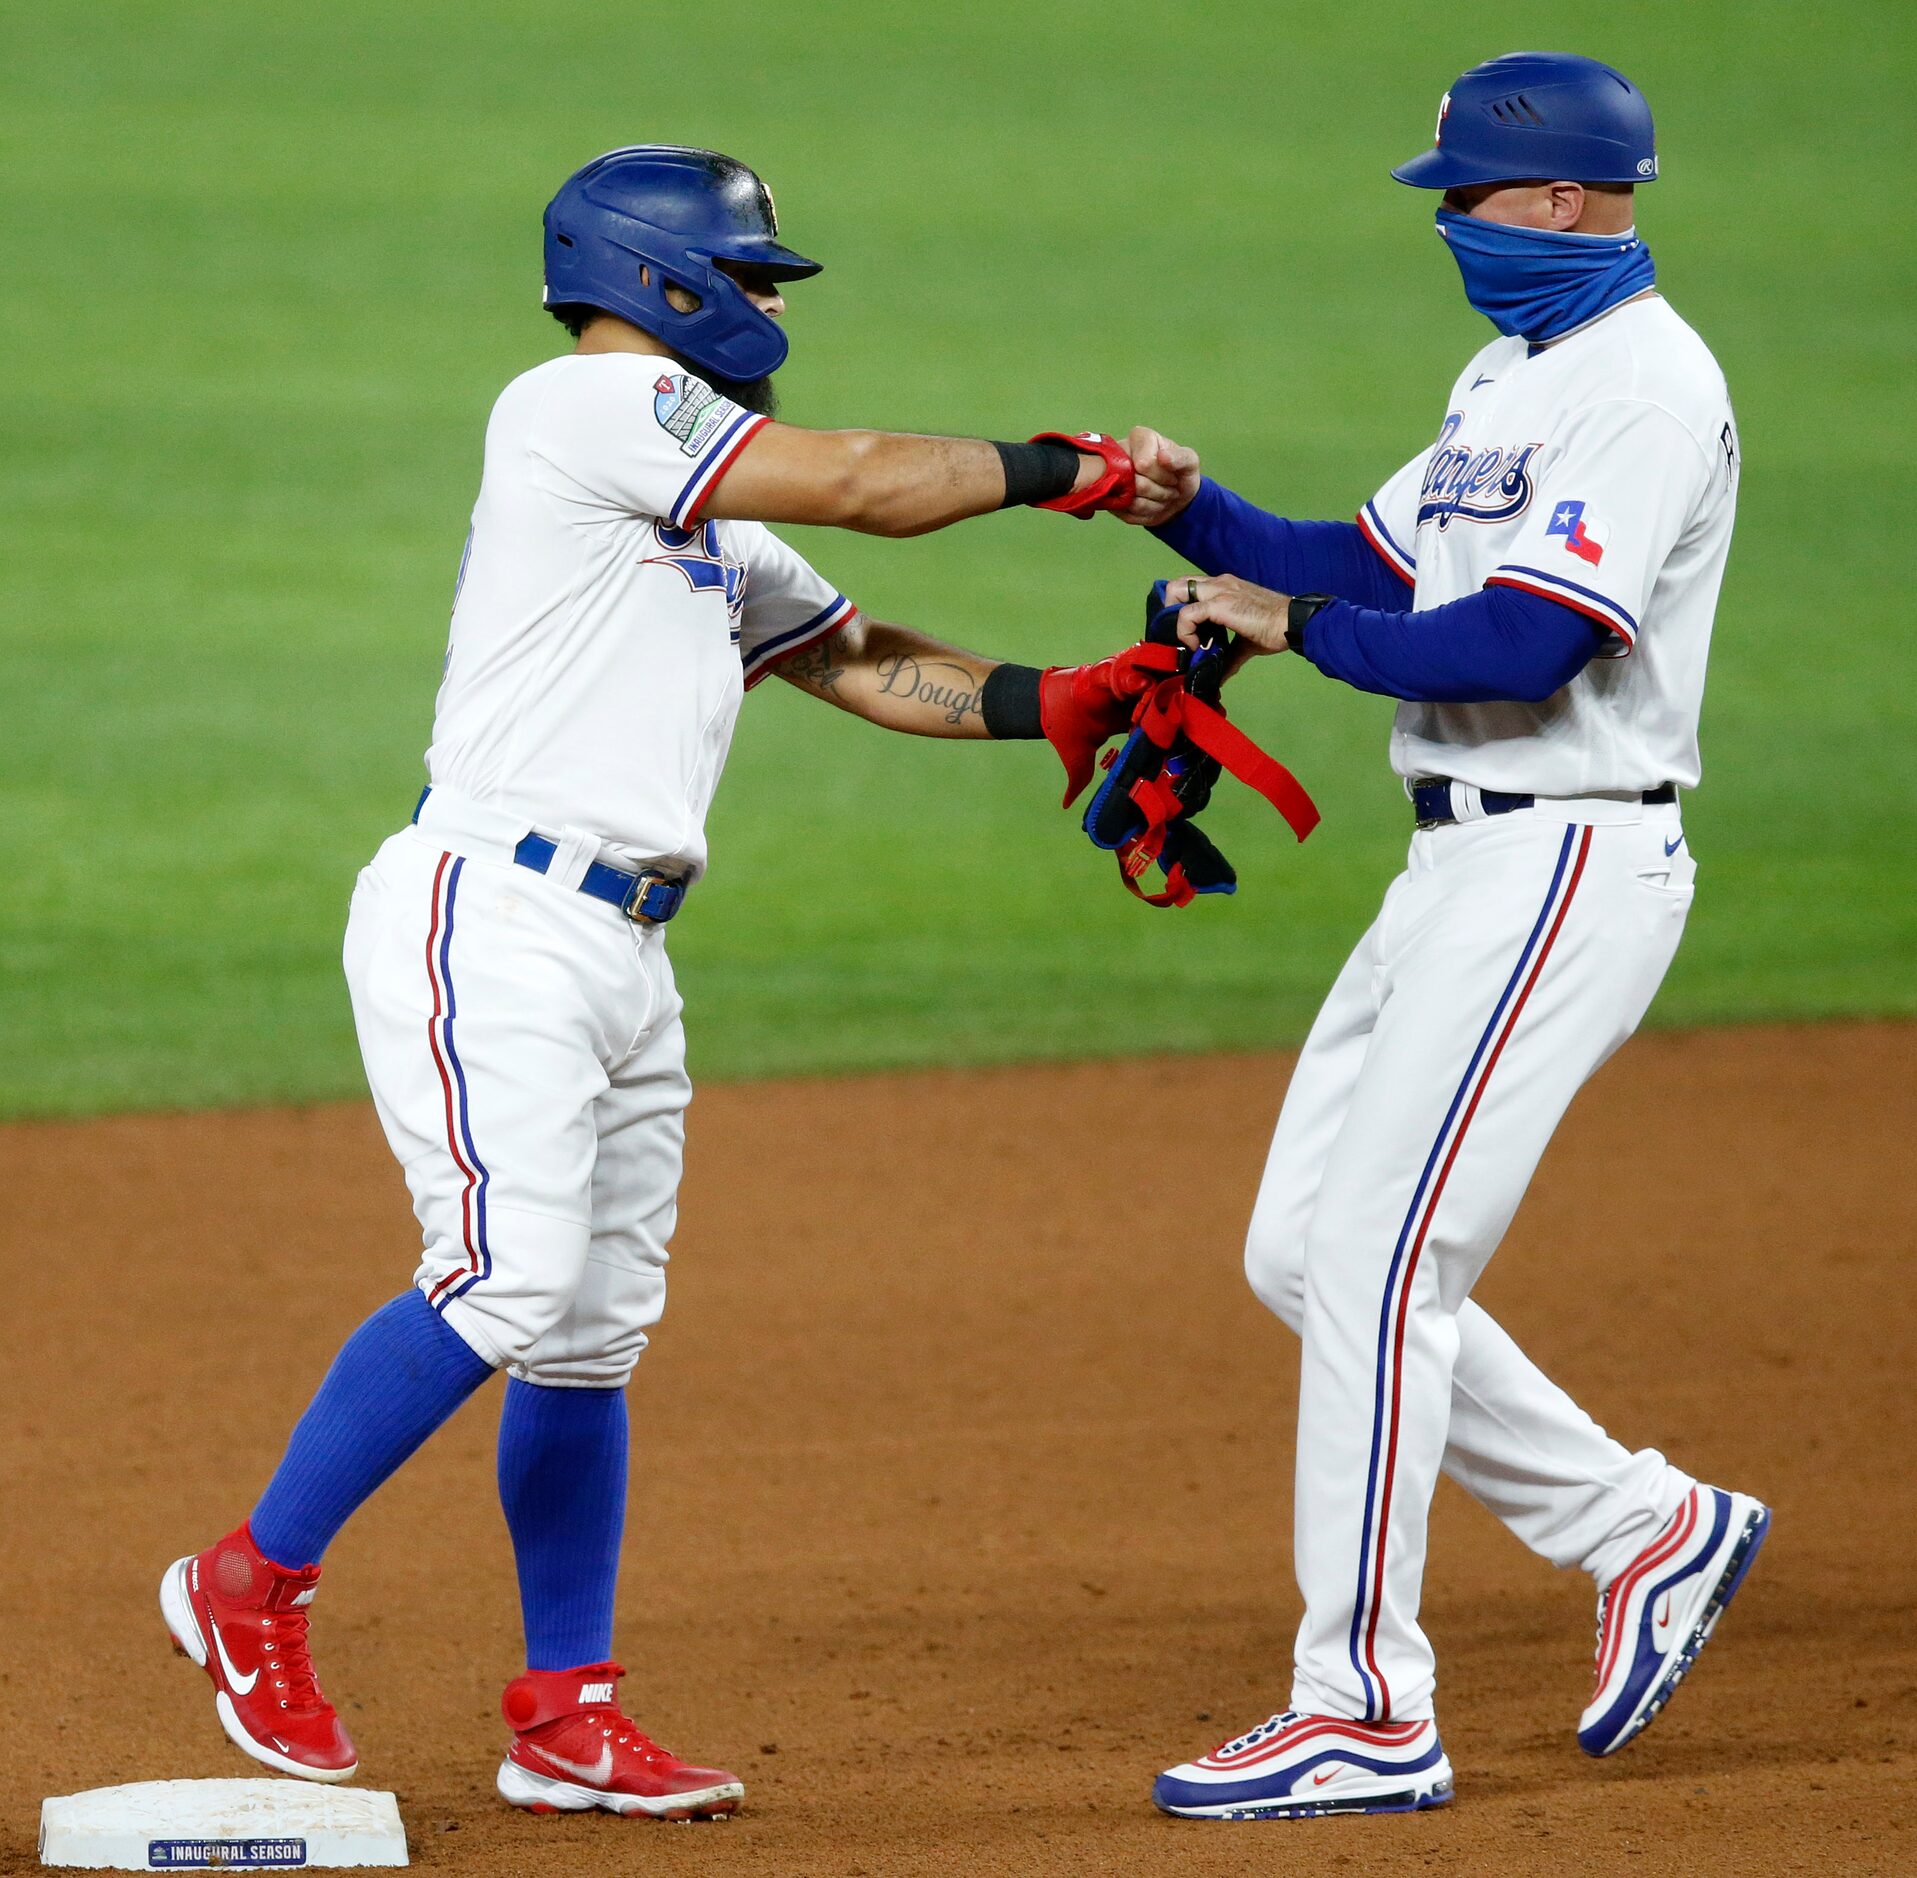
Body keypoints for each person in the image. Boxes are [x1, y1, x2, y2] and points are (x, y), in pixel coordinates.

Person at [159, 143, 1169, 1821]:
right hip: (493, 909)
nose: (773, 303)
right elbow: (858, 476)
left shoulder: (704, 500)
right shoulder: (583, 407)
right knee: (501, 1270)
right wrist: (1060, 468)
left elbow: (851, 654)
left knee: (588, 1335)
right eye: (758, 276)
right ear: (657, 280)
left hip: (622, 951)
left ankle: (565, 1709)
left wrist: (1059, 700)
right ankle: (248, 1582)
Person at [1119, 53, 1769, 1821]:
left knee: (1387, 1267)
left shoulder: (1644, 385)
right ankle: (1647, 1526)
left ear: (1559, 200)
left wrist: (1286, 626)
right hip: (1456, 873)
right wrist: (1185, 509)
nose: (1451, 229)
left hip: (1562, 859)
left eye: (1467, 198)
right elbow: (1363, 560)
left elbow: (1516, 648)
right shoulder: (1516, 372)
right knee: (1304, 1254)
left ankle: (1361, 1705)